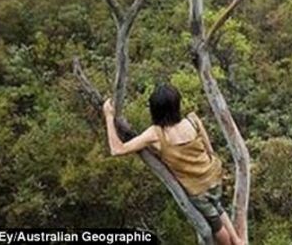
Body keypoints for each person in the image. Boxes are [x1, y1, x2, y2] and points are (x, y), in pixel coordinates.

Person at [102, 84, 243, 245]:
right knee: (217, 206)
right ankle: (238, 240)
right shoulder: (192, 120)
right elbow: (209, 149)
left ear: (155, 110)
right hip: (213, 175)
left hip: (197, 189)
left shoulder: (156, 133)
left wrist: (108, 116)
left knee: (215, 224)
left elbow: (117, 149)